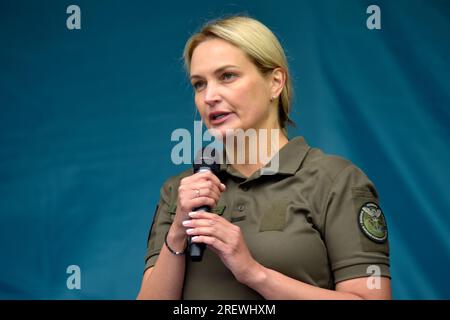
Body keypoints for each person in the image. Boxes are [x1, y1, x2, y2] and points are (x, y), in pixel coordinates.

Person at [137, 15, 391, 300]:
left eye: (227, 76)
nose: (209, 96)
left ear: (275, 82)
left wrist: (253, 273)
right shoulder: (181, 190)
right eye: (199, 84)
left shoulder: (336, 181)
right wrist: (177, 234)